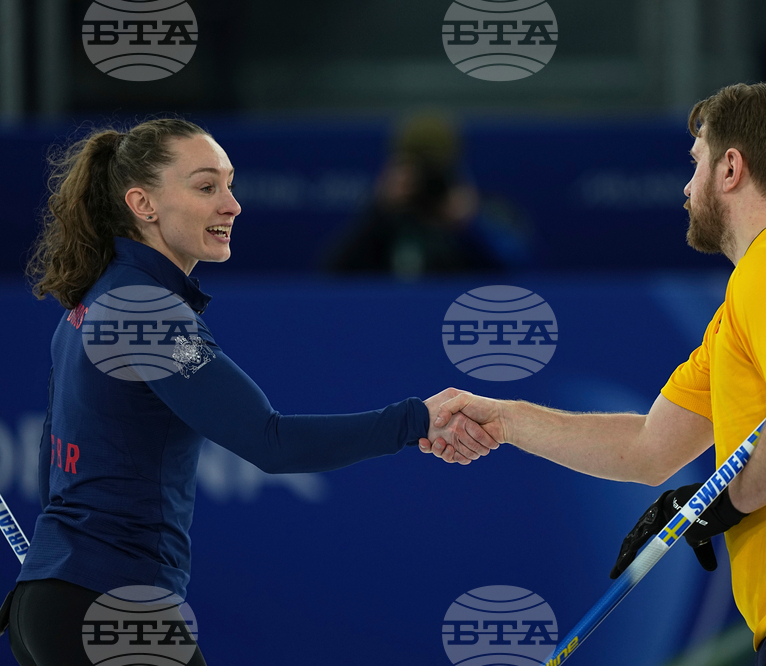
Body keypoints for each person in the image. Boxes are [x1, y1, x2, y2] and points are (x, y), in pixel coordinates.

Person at [422, 83, 766, 664]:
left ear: (731, 168)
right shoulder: (757, 299)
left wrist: (726, 502)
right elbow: (648, 449)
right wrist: (507, 420)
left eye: (696, 164)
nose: (686, 188)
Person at [5, 118, 498, 666]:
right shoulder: (144, 314)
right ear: (143, 204)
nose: (232, 205)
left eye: (230, 184)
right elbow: (271, 441)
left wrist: (54, 585)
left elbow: (58, 459)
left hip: (58, 604)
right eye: (205, 186)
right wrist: (417, 420)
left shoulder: (98, 300)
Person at [321, 114, 532, 278]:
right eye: (415, 166)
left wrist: (471, 224)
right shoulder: (388, 221)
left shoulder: (486, 210)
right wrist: (378, 212)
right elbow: (335, 276)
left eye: (434, 167)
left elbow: (521, 272)